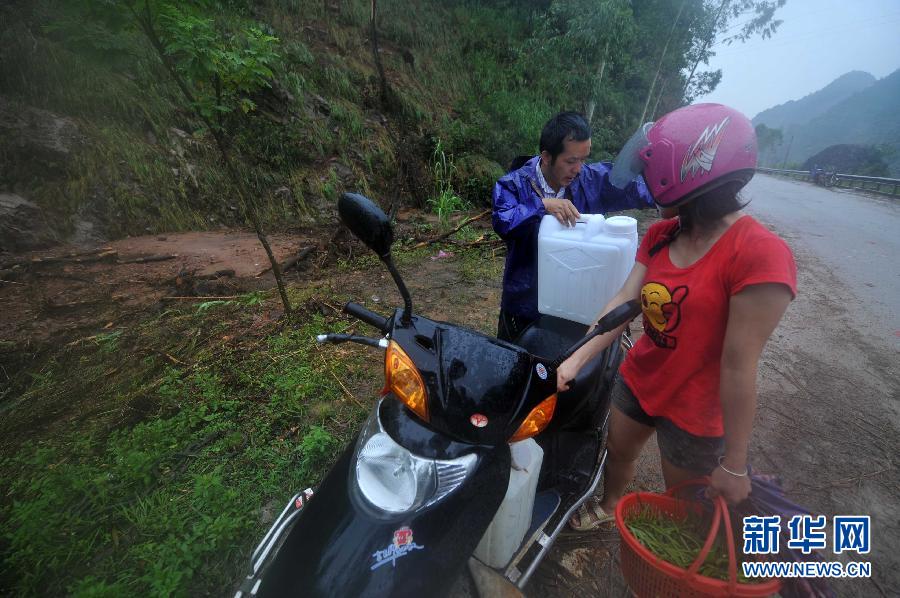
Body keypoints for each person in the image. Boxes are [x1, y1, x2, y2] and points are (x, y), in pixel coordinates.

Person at [557, 103, 797, 530]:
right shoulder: (661, 234)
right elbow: (625, 300)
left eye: (652, 175)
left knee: (685, 504)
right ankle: (612, 504)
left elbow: (739, 365)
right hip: (642, 378)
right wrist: (576, 358)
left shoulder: (759, 254)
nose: (647, 186)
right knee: (619, 450)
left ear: (685, 173)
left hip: (696, 408)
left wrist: (736, 464)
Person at [492, 111, 654, 342]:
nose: (578, 168)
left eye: (583, 159)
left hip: (575, 302)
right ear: (547, 157)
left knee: (566, 370)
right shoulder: (514, 184)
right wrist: (541, 205)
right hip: (524, 305)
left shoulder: (590, 179)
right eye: (570, 161)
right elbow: (503, 220)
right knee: (517, 364)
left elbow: (631, 186)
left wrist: (670, 194)